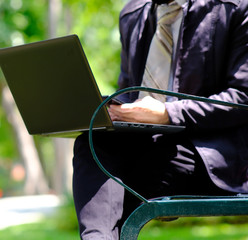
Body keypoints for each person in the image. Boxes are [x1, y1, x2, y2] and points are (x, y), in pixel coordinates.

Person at [72, 0, 248, 239]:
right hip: (147, 145)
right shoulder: (132, 15)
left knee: (118, 176)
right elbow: (129, 91)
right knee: (92, 143)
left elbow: (242, 98)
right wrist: (114, 111)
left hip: (214, 153)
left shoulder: (235, 8)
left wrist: (168, 114)